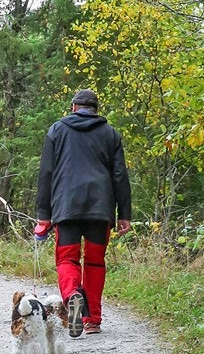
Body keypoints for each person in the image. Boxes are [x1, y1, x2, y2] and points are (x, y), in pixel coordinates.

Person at [33, 89, 132, 337]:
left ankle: (73, 295)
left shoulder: (57, 130)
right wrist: (124, 214)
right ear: (96, 109)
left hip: (66, 208)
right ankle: (92, 320)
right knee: (95, 263)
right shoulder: (110, 134)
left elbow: (46, 173)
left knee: (67, 259)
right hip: (100, 210)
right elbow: (120, 175)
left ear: (73, 107)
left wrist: (44, 214)